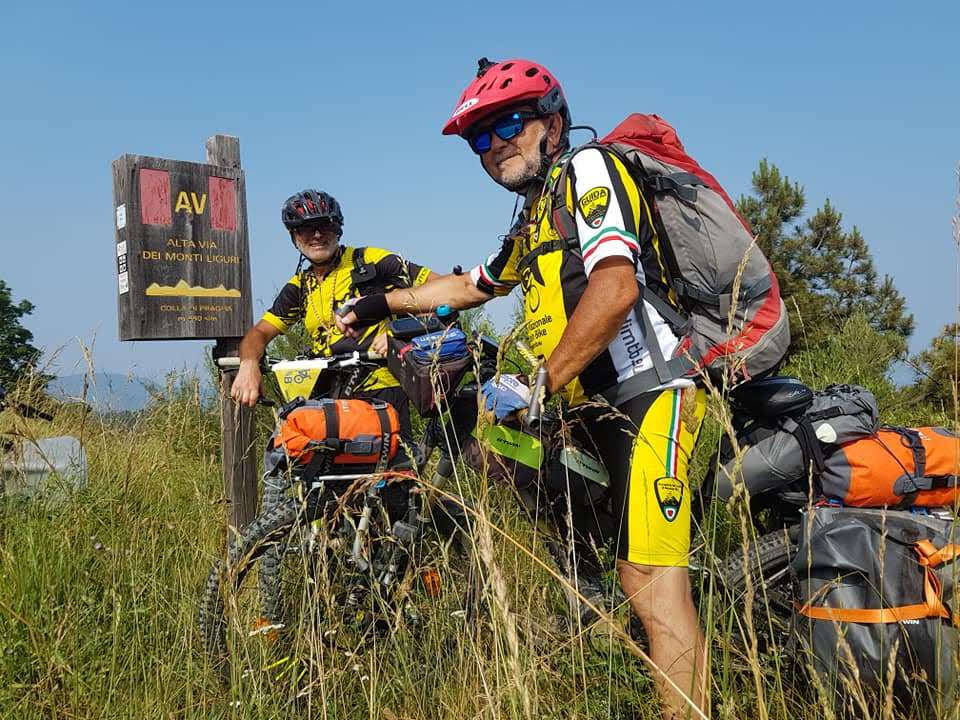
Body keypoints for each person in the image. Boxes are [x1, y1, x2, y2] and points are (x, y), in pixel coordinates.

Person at [337, 59, 709, 718]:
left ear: (554, 122)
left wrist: (539, 382)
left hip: (655, 392)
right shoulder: (535, 213)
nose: (497, 142)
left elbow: (616, 286)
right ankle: (604, 655)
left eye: (511, 122)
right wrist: (381, 305)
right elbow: (473, 286)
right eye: (482, 136)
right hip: (593, 406)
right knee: (577, 535)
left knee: (651, 581)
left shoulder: (588, 172)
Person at [231, 188, 434, 454]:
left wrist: (399, 332)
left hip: (381, 385)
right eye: (306, 228)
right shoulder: (299, 287)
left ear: (338, 229)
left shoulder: (370, 262)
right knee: (314, 472)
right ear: (294, 237)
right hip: (324, 392)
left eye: (325, 226)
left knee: (391, 474)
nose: (316, 235)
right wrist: (248, 364)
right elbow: (260, 333)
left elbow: (439, 289)